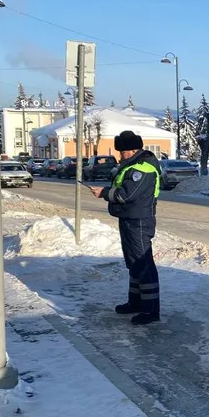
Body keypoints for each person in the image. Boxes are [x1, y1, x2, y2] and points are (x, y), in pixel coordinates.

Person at [89, 131, 161, 325]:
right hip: (129, 219)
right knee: (134, 263)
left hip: (139, 221)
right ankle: (136, 302)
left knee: (143, 263)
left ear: (133, 150)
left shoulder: (143, 168)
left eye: (122, 152)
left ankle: (150, 310)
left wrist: (104, 193)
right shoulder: (133, 165)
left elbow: (127, 195)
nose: (120, 156)